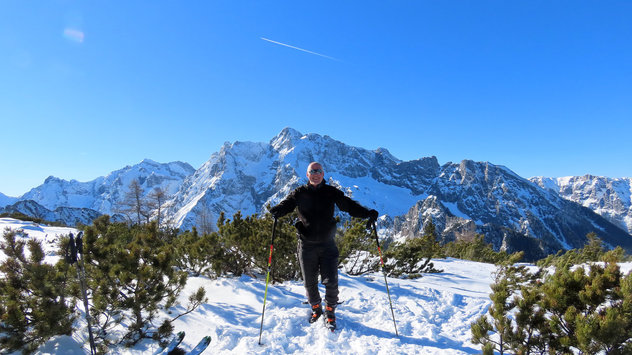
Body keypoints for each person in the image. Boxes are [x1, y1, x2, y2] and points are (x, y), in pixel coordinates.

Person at [269, 162, 379, 330]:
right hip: (306, 245)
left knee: (331, 280)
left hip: (328, 244)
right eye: (312, 171)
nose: (315, 174)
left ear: (323, 173)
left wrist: (367, 213)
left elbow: (349, 206)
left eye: (318, 171)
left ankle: (330, 310)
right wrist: (277, 210)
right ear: (307, 175)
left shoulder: (331, 192)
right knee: (309, 282)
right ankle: (316, 308)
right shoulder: (300, 193)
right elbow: (287, 204)